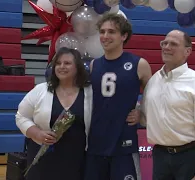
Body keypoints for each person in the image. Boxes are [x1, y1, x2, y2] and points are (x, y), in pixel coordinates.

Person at [139, 30, 195, 180]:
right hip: (160, 156)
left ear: (187, 51)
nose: (167, 47)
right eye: (165, 43)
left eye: (174, 44)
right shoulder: (153, 81)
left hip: (189, 158)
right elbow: (146, 118)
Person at [84, 13, 152, 180]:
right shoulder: (94, 65)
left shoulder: (139, 64)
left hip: (124, 144)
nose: (105, 36)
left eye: (111, 32)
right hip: (96, 143)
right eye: (102, 31)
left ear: (124, 36)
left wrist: (141, 113)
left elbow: (154, 98)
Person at [15, 47, 93, 180]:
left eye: (67, 63)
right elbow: (21, 116)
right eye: (58, 63)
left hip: (78, 161)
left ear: (78, 67)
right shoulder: (40, 90)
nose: (61, 67)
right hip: (43, 160)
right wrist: (37, 133)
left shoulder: (91, 92)